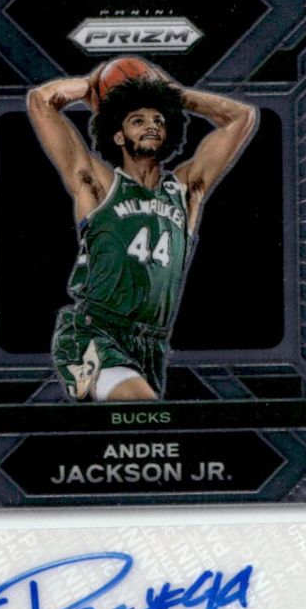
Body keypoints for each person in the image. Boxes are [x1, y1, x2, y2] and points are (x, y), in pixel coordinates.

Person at [26, 62, 257, 402]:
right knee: (143, 405)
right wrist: (90, 86)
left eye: (158, 120)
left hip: (153, 343)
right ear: (118, 135)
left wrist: (172, 95)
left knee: (141, 422)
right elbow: (40, 102)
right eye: (137, 120)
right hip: (94, 331)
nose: (151, 125)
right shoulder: (100, 185)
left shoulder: (185, 191)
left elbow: (241, 117)